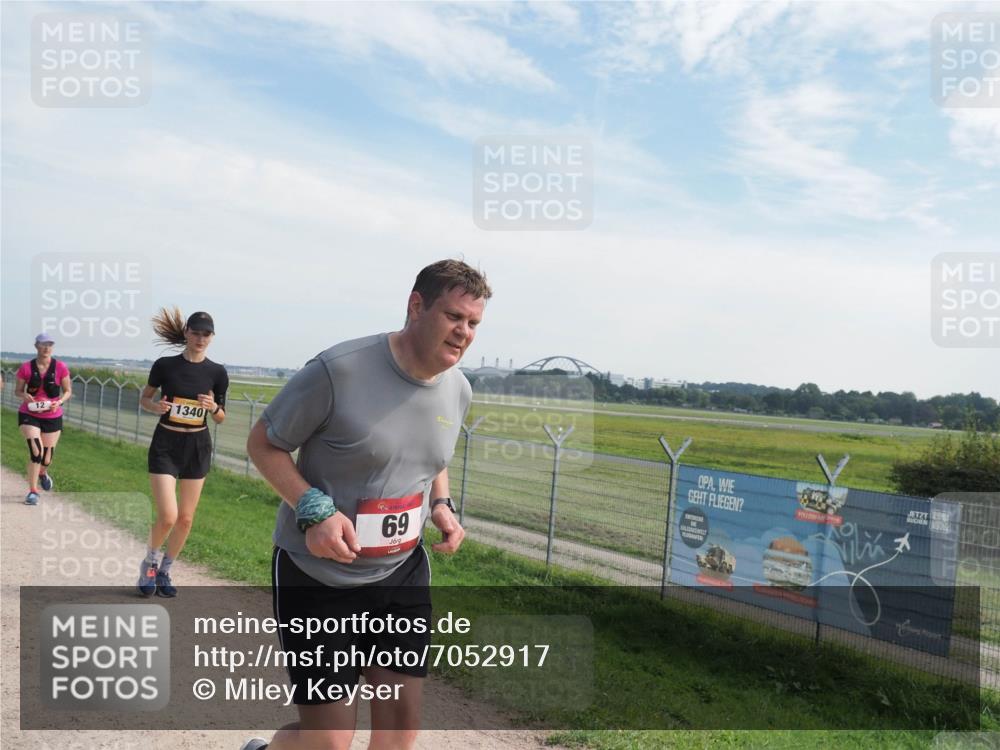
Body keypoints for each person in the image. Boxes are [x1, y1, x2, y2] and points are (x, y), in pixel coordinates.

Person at [241, 260, 491, 750]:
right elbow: (263, 443)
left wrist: (441, 505)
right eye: (453, 316)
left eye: (474, 323)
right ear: (416, 306)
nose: (463, 333)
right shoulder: (340, 370)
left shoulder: (457, 387)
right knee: (330, 743)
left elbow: (431, 454)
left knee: (398, 739)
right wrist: (313, 508)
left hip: (401, 575)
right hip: (319, 579)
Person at [136, 308, 229, 598]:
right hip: (166, 443)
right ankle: (149, 563)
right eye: (196, 332)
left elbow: (221, 417)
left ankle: (165, 570)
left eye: (206, 334)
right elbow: (145, 398)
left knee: (186, 518)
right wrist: (155, 407)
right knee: (168, 515)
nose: (200, 338)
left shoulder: (217, 372)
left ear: (212, 337)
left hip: (197, 447)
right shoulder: (165, 365)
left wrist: (212, 408)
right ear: (186, 333)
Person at [15, 333, 72, 505]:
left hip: (52, 416)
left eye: (50, 344)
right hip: (29, 414)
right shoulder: (26, 368)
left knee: (46, 458)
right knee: (36, 451)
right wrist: (24, 395)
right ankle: (33, 492)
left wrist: (59, 402)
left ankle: (42, 473)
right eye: (43, 344)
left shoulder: (61, 367)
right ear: (36, 346)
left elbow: (68, 391)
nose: (46, 347)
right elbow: (17, 391)